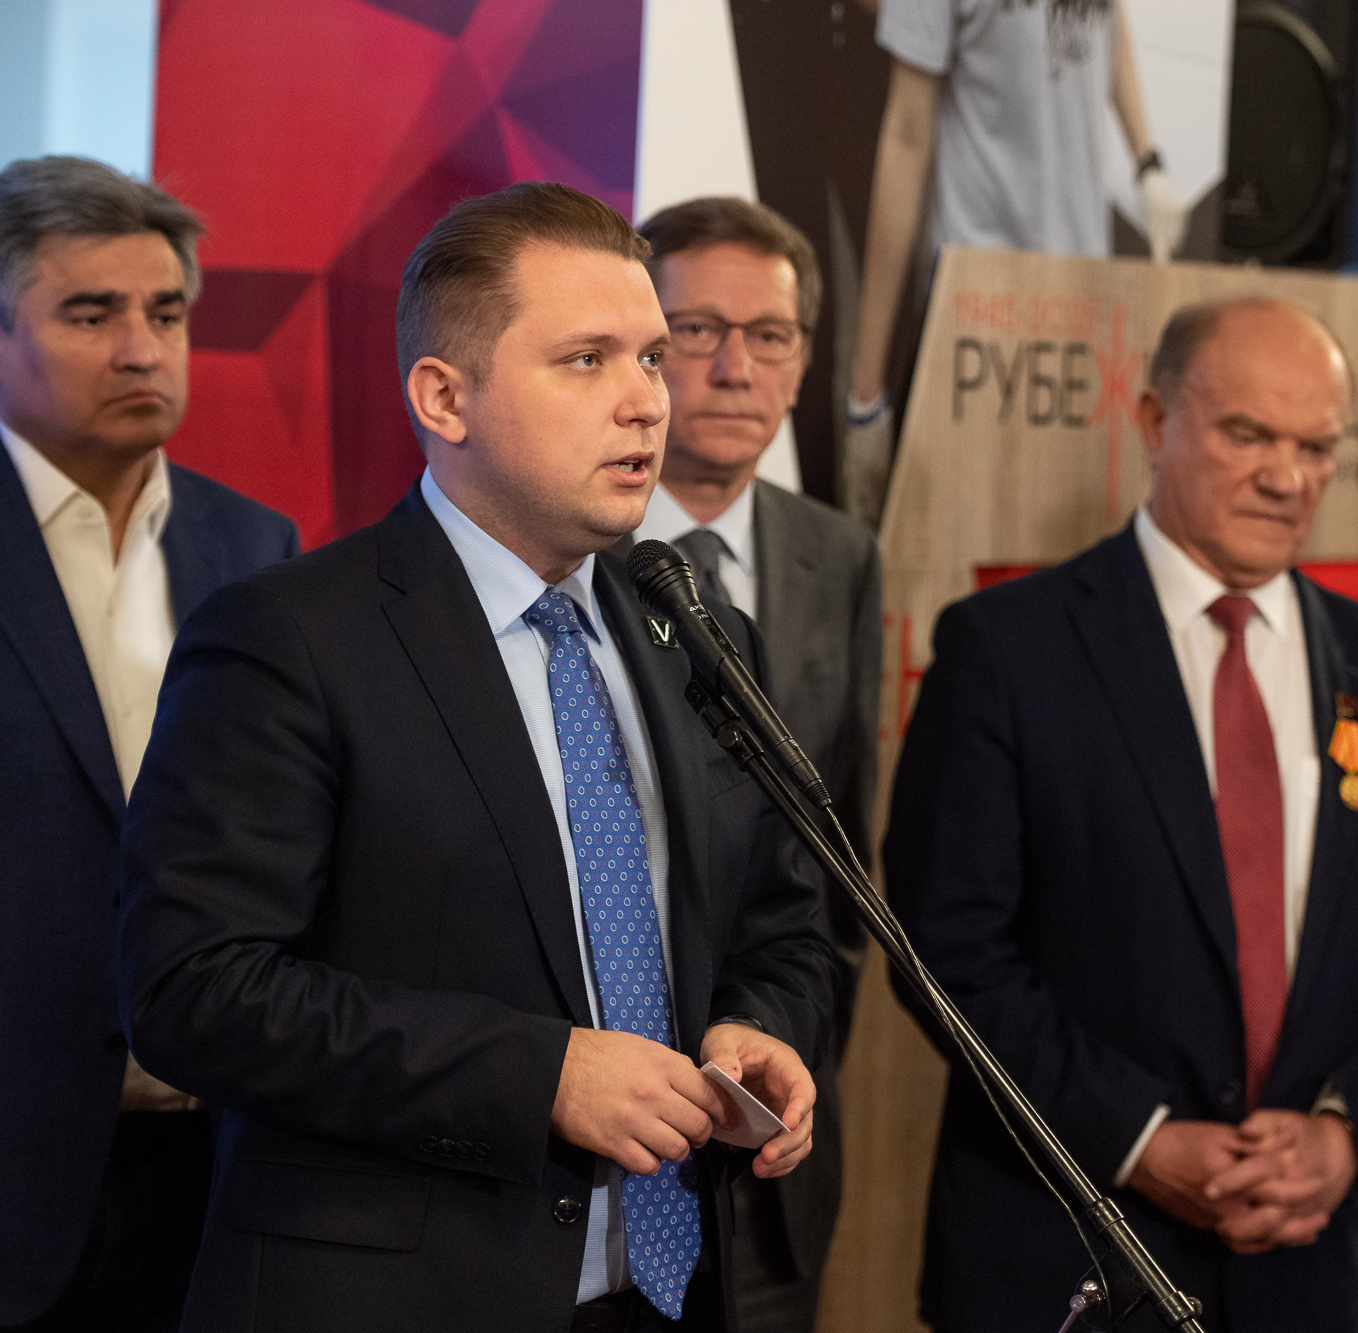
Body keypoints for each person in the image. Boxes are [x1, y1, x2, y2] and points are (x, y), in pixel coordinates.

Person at [115, 181, 835, 1333]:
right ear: (444, 397)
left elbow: (782, 923)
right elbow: (194, 989)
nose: (646, 401)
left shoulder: (693, 631)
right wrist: (538, 1074)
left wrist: (760, 1026)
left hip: (667, 1293)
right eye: (587, 360)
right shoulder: (292, 637)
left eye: (651, 357)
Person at [884, 296, 1358, 1331]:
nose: (1285, 476)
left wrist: (1345, 1133)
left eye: (1314, 446)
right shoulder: (1007, 650)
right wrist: (1140, 1138)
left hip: (1312, 1269)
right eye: (1248, 434)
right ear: (1156, 421)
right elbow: (946, 950)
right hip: (1068, 1256)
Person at [0, 155, 299, 1332]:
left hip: (210, 1167)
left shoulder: (255, 547)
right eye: (91, 313)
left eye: (166, 313)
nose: (141, 349)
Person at [629, 196, 882, 1333]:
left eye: (770, 336)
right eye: (696, 331)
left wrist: (793, 1050)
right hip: (584, 1137)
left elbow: (839, 866)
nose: (735, 368)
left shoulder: (839, 553)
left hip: (770, 1150)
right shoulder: (566, 546)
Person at [838, 0, 1189, 526]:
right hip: (979, 305)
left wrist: (1147, 160)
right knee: (960, 540)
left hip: (1082, 295)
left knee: (1070, 539)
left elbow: (1108, 20)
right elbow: (907, 135)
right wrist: (867, 390)